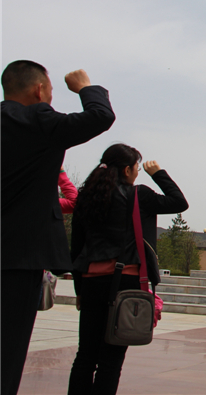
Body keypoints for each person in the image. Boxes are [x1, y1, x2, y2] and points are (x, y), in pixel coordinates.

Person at [1, 61, 115, 395]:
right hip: (19, 256)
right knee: (7, 347)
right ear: (39, 90)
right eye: (49, 92)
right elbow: (100, 116)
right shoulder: (38, 119)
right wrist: (85, 87)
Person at [68, 144, 188, 395]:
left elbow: (77, 248)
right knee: (111, 360)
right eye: (136, 168)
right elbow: (179, 202)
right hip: (125, 283)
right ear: (126, 170)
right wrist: (158, 173)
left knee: (85, 355)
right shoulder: (138, 195)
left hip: (91, 282)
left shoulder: (87, 197)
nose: (137, 172)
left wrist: (79, 289)